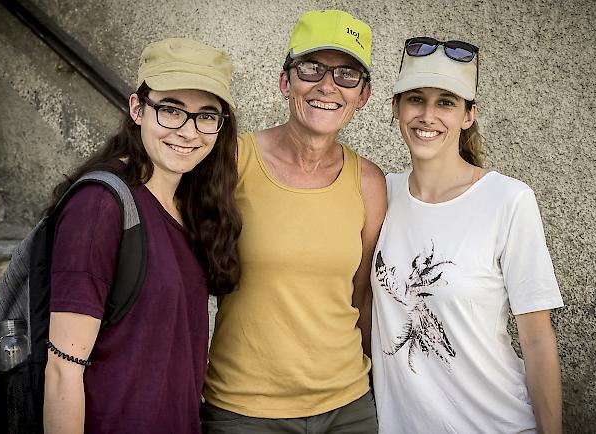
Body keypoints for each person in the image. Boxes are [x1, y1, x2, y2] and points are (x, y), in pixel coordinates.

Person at [42, 38, 241, 433]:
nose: (188, 131)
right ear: (137, 109)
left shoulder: (193, 206)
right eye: (170, 110)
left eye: (206, 116)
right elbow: (61, 372)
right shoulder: (100, 207)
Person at [201, 9, 386, 433]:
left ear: (364, 95)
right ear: (286, 81)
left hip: (348, 407)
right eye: (311, 68)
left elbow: (362, 297)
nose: (327, 85)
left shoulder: (369, 183)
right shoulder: (232, 160)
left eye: (346, 75)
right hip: (243, 409)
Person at [371, 36, 564, 433]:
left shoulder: (507, 200)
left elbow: (537, 339)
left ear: (468, 115)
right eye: (415, 99)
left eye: (446, 101)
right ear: (395, 108)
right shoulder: (379, 193)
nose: (428, 115)